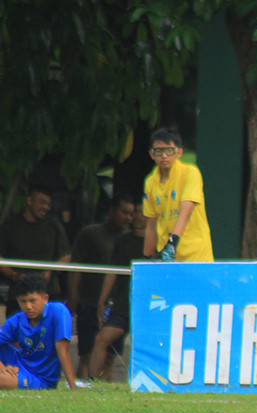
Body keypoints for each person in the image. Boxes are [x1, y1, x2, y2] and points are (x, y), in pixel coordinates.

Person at [67, 193, 135, 379]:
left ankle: (105, 389)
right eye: (124, 212)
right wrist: (73, 298)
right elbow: (76, 268)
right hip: (89, 302)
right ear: (112, 211)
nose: (128, 218)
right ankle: (84, 387)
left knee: (110, 356)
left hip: (116, 306)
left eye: (131, 214)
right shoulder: (91, 233)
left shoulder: (129, 239)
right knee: (87, 354)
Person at [88, 200, 149, 381]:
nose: (137, 216)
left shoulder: (157, 244)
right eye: (135, 211)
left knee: (143, 346)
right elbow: (112, 272)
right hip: (122, 305)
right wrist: (102, 300)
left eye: (141, 212)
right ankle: (91, 382)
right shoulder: (123, 241)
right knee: (102, 340)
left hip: (147, 306)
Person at [141, 128, 214, 262]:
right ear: (151, 154)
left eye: (169, 150)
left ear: (179, 152)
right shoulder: (150, 182)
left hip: (196, 256)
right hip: (167, 258)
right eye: (158, 151)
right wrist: (147, 257)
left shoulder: (190, 173)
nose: (164, 156)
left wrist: (172, 244)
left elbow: (184, 213)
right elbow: (151, 223)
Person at [0, 184, 71, 317]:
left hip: (49, 293)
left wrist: (51, 271)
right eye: (42, 203)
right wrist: (14, 275)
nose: (46, 208)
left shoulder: (54, 226)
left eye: (48, 204)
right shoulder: (10, 226)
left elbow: (66, 255)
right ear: (30, 201)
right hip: (19, 294)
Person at [0, 274, 76, 390]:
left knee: (2, 380)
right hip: (16, 366)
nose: (28, 307)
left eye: (32, 301)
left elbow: (62, 351)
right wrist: (2, 367)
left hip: (38, 378)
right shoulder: (16, 320)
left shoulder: (58, 312)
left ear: (45, 298)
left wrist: (73, 387)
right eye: (23, 301)